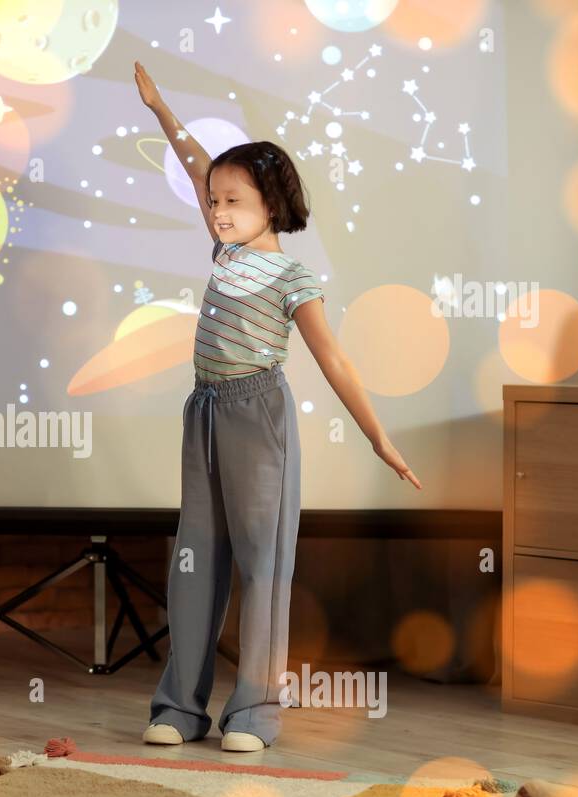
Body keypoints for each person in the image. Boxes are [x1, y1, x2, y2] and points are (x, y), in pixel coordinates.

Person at [133, 61, 422, 752]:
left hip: (257, 414)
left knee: (264, 562)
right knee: (196, 558)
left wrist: (379, 436)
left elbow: (335, 360)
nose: (219, 211)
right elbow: (197, 160)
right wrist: (160, 107)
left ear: (272, 202)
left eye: (233, 201)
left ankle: (255, 712)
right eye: (213, 203)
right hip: (203, 410)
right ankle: (179, 707)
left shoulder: (293, 275)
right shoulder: (224, 254)